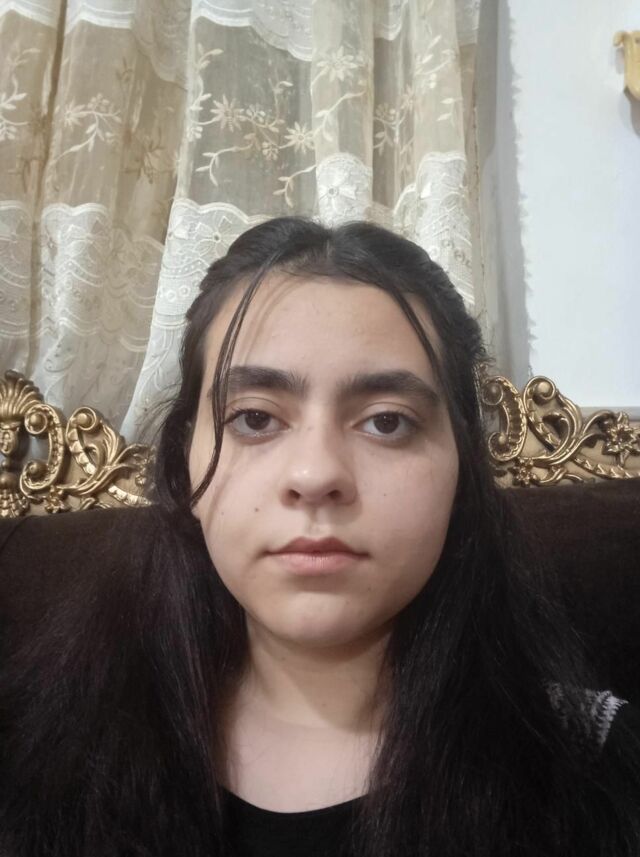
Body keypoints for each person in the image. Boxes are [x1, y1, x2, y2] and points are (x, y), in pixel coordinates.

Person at [0, 216, 639, 856]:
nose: (316, 475)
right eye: (254, 418)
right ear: (182, 464)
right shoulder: (43, 746)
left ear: (462, 470)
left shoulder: (588, 762)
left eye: (387, 422)